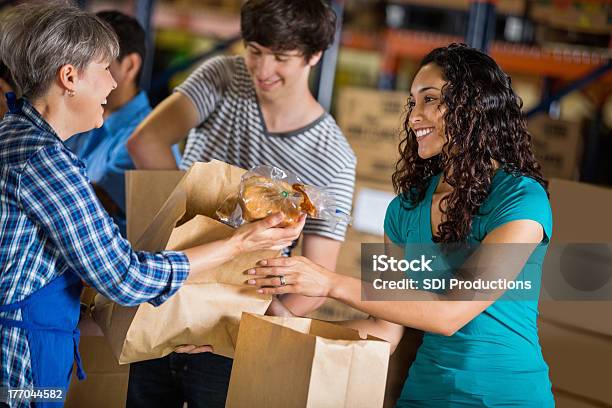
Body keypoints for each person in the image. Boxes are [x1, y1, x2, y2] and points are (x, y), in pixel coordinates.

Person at [0, 3, 303, 408]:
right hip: (21, 360)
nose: (112, 84)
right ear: (69, 77)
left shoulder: (13, 135)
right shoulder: (46, 162)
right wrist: (237, 244)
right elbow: (125, 277)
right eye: (104, 69)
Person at [250, 43, 556, 407]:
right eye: (413, 102)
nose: (414, 117)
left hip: (506, 397)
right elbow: (383, 329)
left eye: (430, 100)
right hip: (424, 396)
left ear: (472, 106)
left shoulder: (520, 200)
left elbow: (450, 314)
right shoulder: (405, 210)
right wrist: (283, 322)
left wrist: (330, 283)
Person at [125, 0, 356, 406]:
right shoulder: (222, 77)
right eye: (255, 51)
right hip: (164, 294)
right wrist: (175, 215)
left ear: (315, 55)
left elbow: (316, 282)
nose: (263, 70)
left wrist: (234, 326)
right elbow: (145, 140)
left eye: (281, 58)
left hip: (232, 334)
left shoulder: (332, 155)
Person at [64, 10, 178, 237]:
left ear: (129, 66)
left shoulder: (149, 138)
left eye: (95, 65)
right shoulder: (83, 122)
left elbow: (97, 204)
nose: (79, 76)